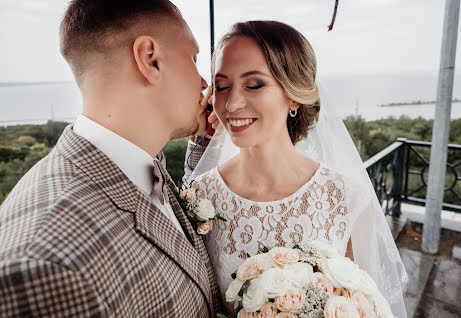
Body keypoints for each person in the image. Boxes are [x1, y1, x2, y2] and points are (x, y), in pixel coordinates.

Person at [0, 1, 221, 317]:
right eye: (193, 58)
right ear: (150, 59)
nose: (203, 84)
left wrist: (204, 148)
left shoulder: (138, 163)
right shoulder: (46, 266)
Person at [185, 20, 408, 317]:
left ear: (293, 95)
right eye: (222, 86)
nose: (232, 103)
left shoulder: (345, 197)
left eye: (254, 84)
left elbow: (364, 305)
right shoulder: (200, 195)